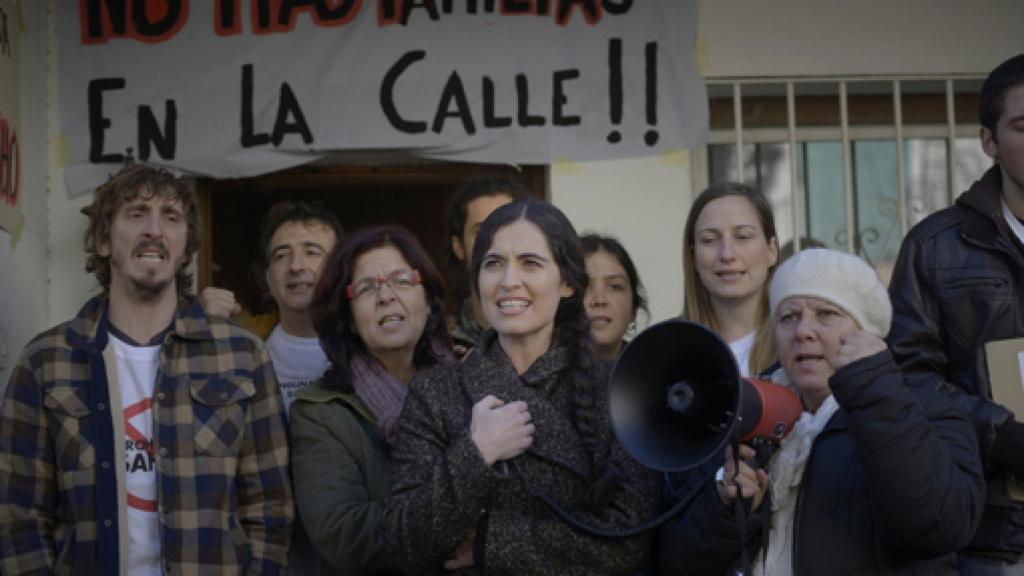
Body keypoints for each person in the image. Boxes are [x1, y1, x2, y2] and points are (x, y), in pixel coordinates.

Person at [0, 164, 294, 574]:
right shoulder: (46, 361)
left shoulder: (242, 356)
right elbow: (19, 518)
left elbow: (269, 508)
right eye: (136, 213)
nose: (154, 229)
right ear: (104, 240)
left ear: (186, 245)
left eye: (171, 218)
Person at [661, 248, 985, 575]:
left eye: (826, 314)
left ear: (865, 332)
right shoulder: (749, 411)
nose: (803, 331)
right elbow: (676, 561)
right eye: (788, 317)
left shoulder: (926, 404)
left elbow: (940, 527)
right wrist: (726, 508)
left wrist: (875, 390)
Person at [382, 200, 657, 575]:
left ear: (567, 283)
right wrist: (477, 452)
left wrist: (488, 543)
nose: (509, 281)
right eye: (494, 264)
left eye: (530, 263)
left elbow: (631, 537)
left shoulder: (615, 389)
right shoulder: (435, 391)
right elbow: (403, 539)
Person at [887, 53, 1024, 574]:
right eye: (1022, 125)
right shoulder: (936, 246)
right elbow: (907, 378)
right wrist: (1001, 433)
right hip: (993, 535)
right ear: (988, 140)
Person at [288, 225, 454, 575]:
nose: (385, 295)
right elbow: (345, 536)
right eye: (365, 288)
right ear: (347, 320)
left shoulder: (472, 379)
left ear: (428, 300)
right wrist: (467, 534)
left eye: (401, 280)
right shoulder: (320, 412)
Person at [202, 200, 343, 416]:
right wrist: (203, 333)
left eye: (312, 252)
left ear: (339, 269)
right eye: (281, 255)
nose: (296, 266)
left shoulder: (367, 349)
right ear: (268, 279)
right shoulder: (242, 347)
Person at [682, 182, 779, 377]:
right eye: (709, 240)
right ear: (693, 257)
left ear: (771, 250)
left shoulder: (800, 344)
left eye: (743, 237)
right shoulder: (666, 348)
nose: (727, 254)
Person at [444, 175, 531, 352]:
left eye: (507, 227)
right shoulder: (439, 343)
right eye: (481, 230)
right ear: (459, 247)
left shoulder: (561, 338)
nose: (496, 241)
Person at [580, 233, 649, 360]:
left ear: (633, 308)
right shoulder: (538, 374)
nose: (599, 300)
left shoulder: (658, 375)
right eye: (583, 286)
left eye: (615, 287)